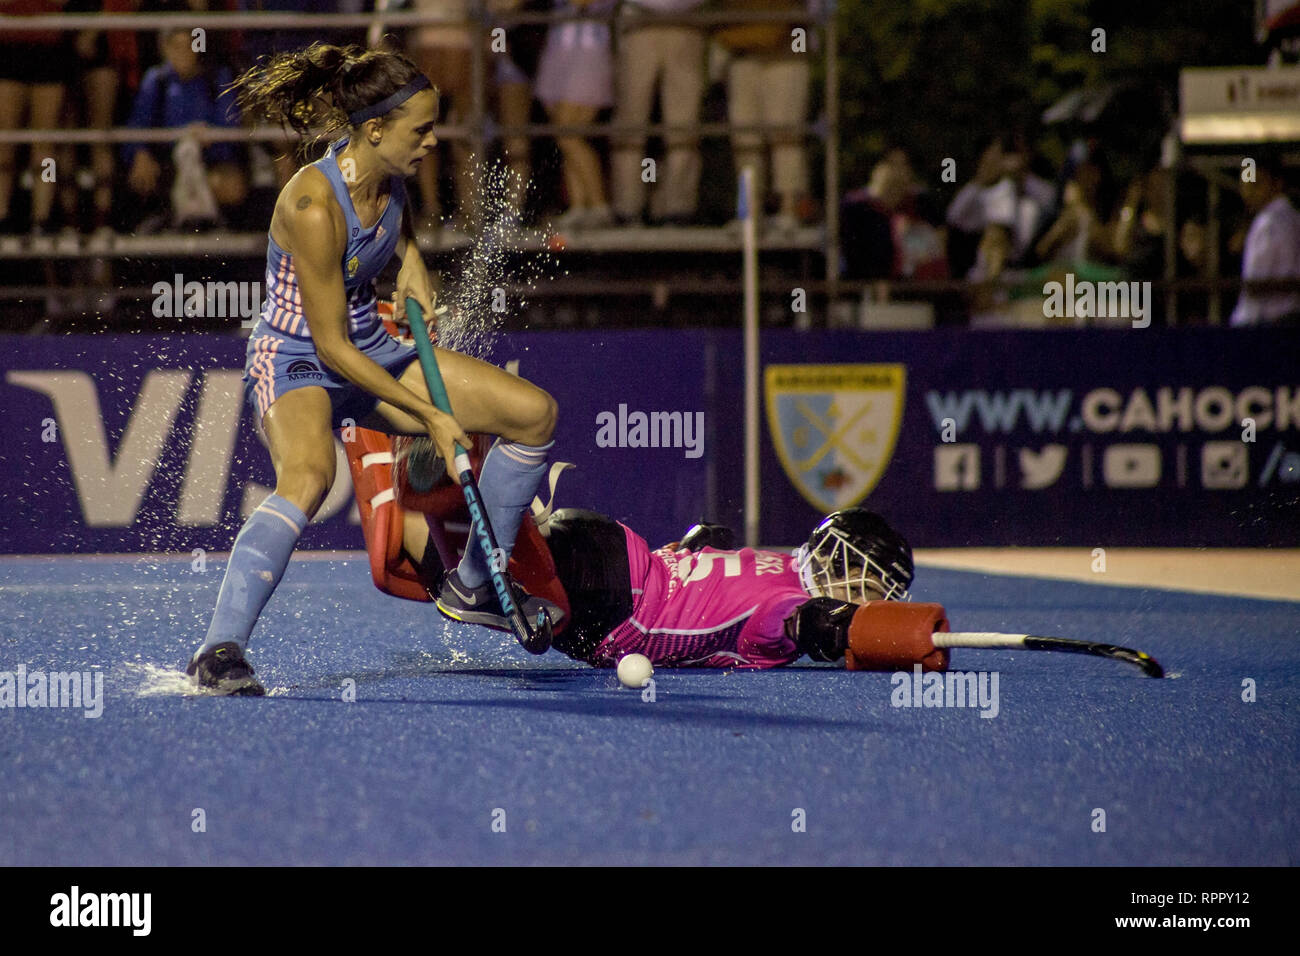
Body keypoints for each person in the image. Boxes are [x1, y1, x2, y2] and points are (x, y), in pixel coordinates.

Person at [186, 42, 561, 695]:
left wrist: (412, 259)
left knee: (535, 415)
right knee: (308, 476)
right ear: (375, 129)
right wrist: (429, 417)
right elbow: (330, 348)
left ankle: (475, 581)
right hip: (298, 356)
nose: (432, 140)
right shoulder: (312, 206)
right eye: (421, 129)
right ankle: (219, 650)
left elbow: (394, 221)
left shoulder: (389, 174)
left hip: (371, 346)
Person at [382, 442, 913, 668]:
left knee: (426, 569)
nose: (878, 603)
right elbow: (798, 622)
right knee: (488, 571)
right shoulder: (790, 599)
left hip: (610, 554)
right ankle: (465, 464)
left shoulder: (778, 559)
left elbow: (710, 566)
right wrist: (840, 628)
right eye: (874, 589)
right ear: (847, 567)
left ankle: (387, 458)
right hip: (611, 604)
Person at [1230, 156, 1300, 326]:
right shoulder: (1291, 217)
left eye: (1256, 185)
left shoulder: (1270, 222)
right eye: (1245, 186)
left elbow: (1256, 280)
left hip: (1269, 321)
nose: (1248, 193)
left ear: (1277, 184)